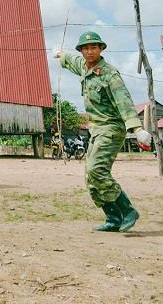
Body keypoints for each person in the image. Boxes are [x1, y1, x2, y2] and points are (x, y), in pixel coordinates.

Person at [55, 31, 151, 232]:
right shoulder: (83, 65)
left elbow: (123, 101)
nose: (90, 52)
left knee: (96, 170)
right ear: (81, 51)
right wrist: (61, 55)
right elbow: (71, 60)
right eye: (86, 48)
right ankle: (113, 218)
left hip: (112, 128)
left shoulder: (109, 74)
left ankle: (128, 210)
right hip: (96, 129)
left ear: (101, 49)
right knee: (90, 177)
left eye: (94, 48)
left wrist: (137, 128)